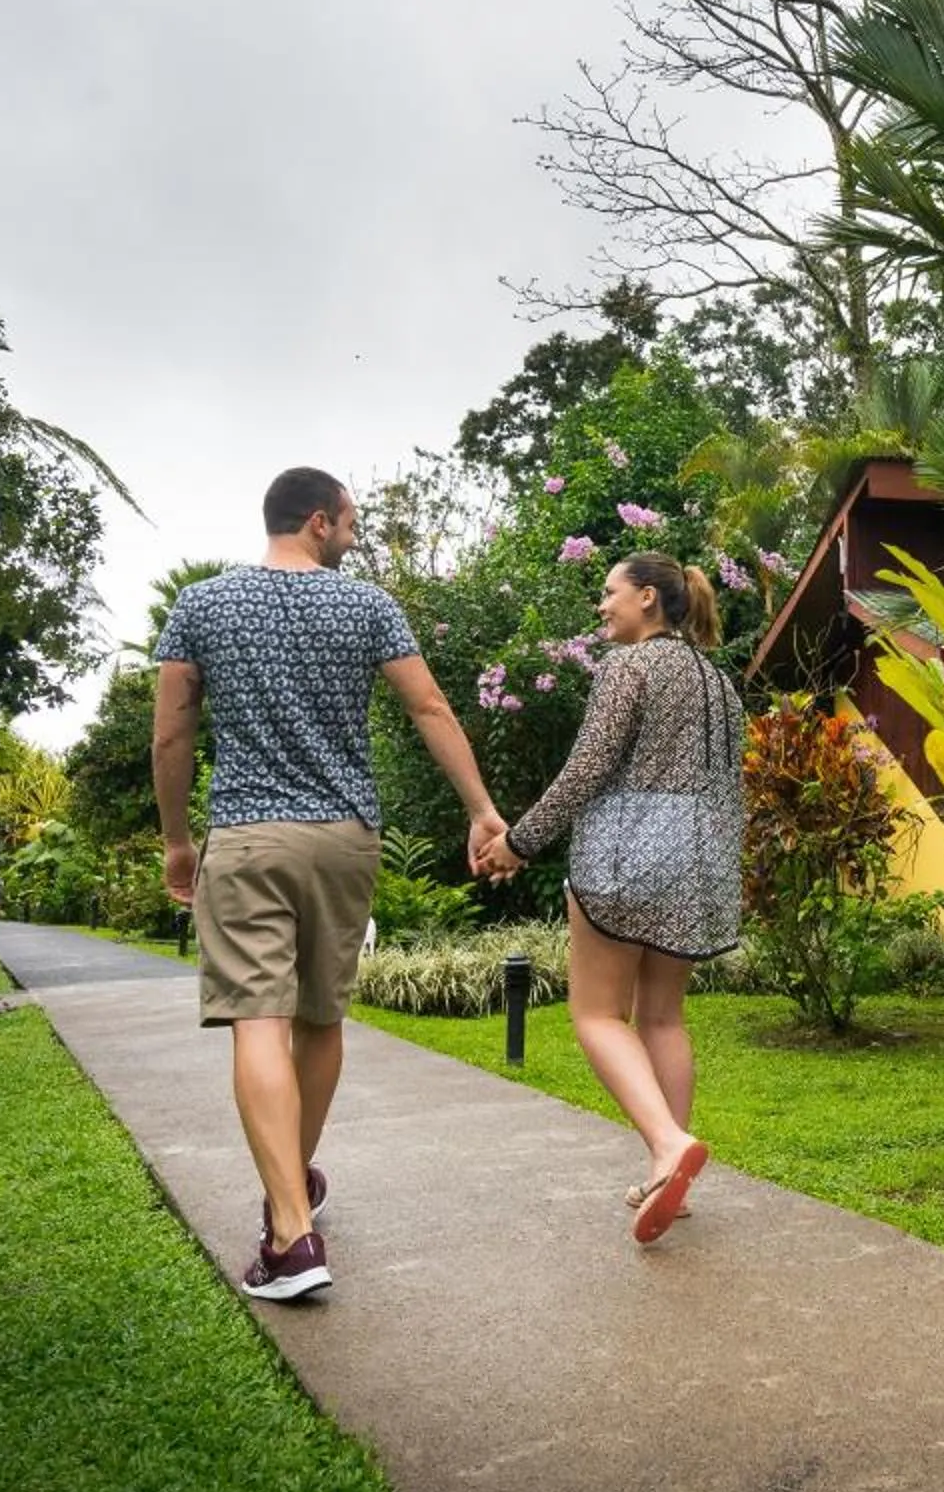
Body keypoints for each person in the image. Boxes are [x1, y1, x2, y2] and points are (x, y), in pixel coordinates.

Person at [155, 466, 505, 1300]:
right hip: (345, 838)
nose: (355, 535)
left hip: (246, 836)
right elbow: (429, 709)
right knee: (320, 1018)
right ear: (318, 521)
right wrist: (483, 811)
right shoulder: (368, 606)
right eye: (350, 522)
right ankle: (294, 1188)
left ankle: (289, 1230)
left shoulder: (200, 606)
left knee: (258, 1023)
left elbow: (172, 735)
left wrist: (176, 841)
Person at [480, 550, 743, 1245]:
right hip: (700, 859)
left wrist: (520, 839)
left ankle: (664, 1145)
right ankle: (670, 1175)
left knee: (596, 1013)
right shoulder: (718, 681)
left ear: (649, 599)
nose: (602, 606)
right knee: (662, 1016)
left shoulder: (628, 667)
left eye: (610, 593)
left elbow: (587, 768)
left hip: (628, 853)